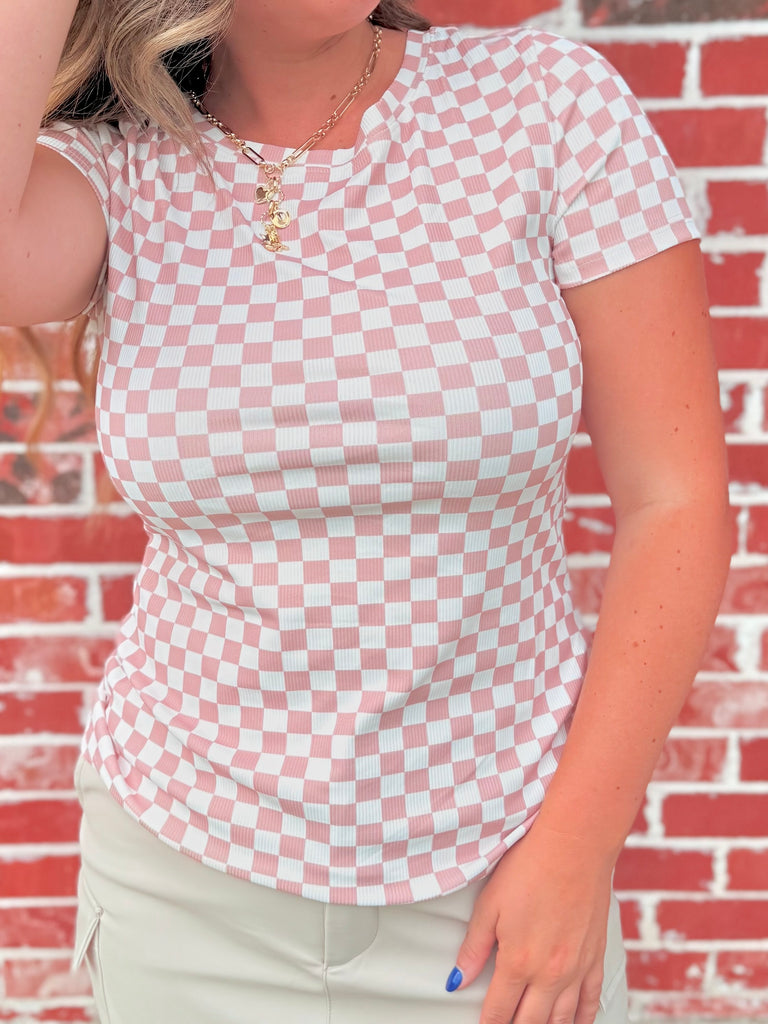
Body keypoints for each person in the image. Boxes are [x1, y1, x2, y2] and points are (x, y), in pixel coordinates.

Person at [0, 1, 731, 1022]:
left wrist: (579, 844)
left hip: (503, 882)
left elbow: (675, 500)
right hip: (184, 879)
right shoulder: (116, 163)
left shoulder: (544, 107)